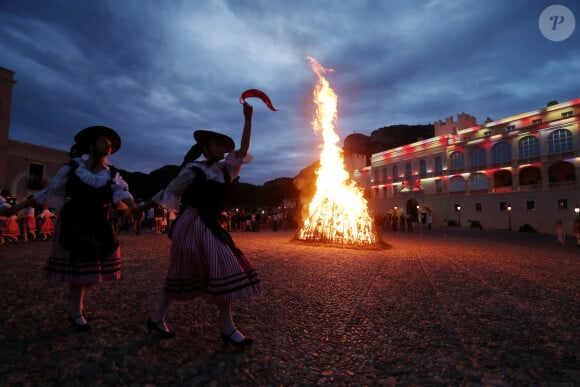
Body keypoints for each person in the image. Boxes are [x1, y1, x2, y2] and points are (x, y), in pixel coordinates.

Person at [143, 103, 262, 346]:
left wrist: (248, 119)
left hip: (213, 224)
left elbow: (244, 149)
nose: (222, 148)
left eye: (223, 145)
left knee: (223, 268)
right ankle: (157, 317)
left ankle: (227, 327)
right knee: (183, 272)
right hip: (193, 223)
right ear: (205, 148)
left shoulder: (227, 170)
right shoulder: (194, 170)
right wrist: (140, 207)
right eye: (217, 144)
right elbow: (170, 190)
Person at [0, 125, 138, 331]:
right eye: (104, 141)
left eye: (110, 144)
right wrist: (15, 208)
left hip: (101, 223)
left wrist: (135, 208)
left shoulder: (112, 173)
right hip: (75, 222)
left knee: (98, 269)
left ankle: (77, 304)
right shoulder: (72, 168)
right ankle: (75, 311)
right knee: (79, 269)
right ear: (91, 145)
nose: (108, 145)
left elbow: (122, 193)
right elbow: (48, 192)